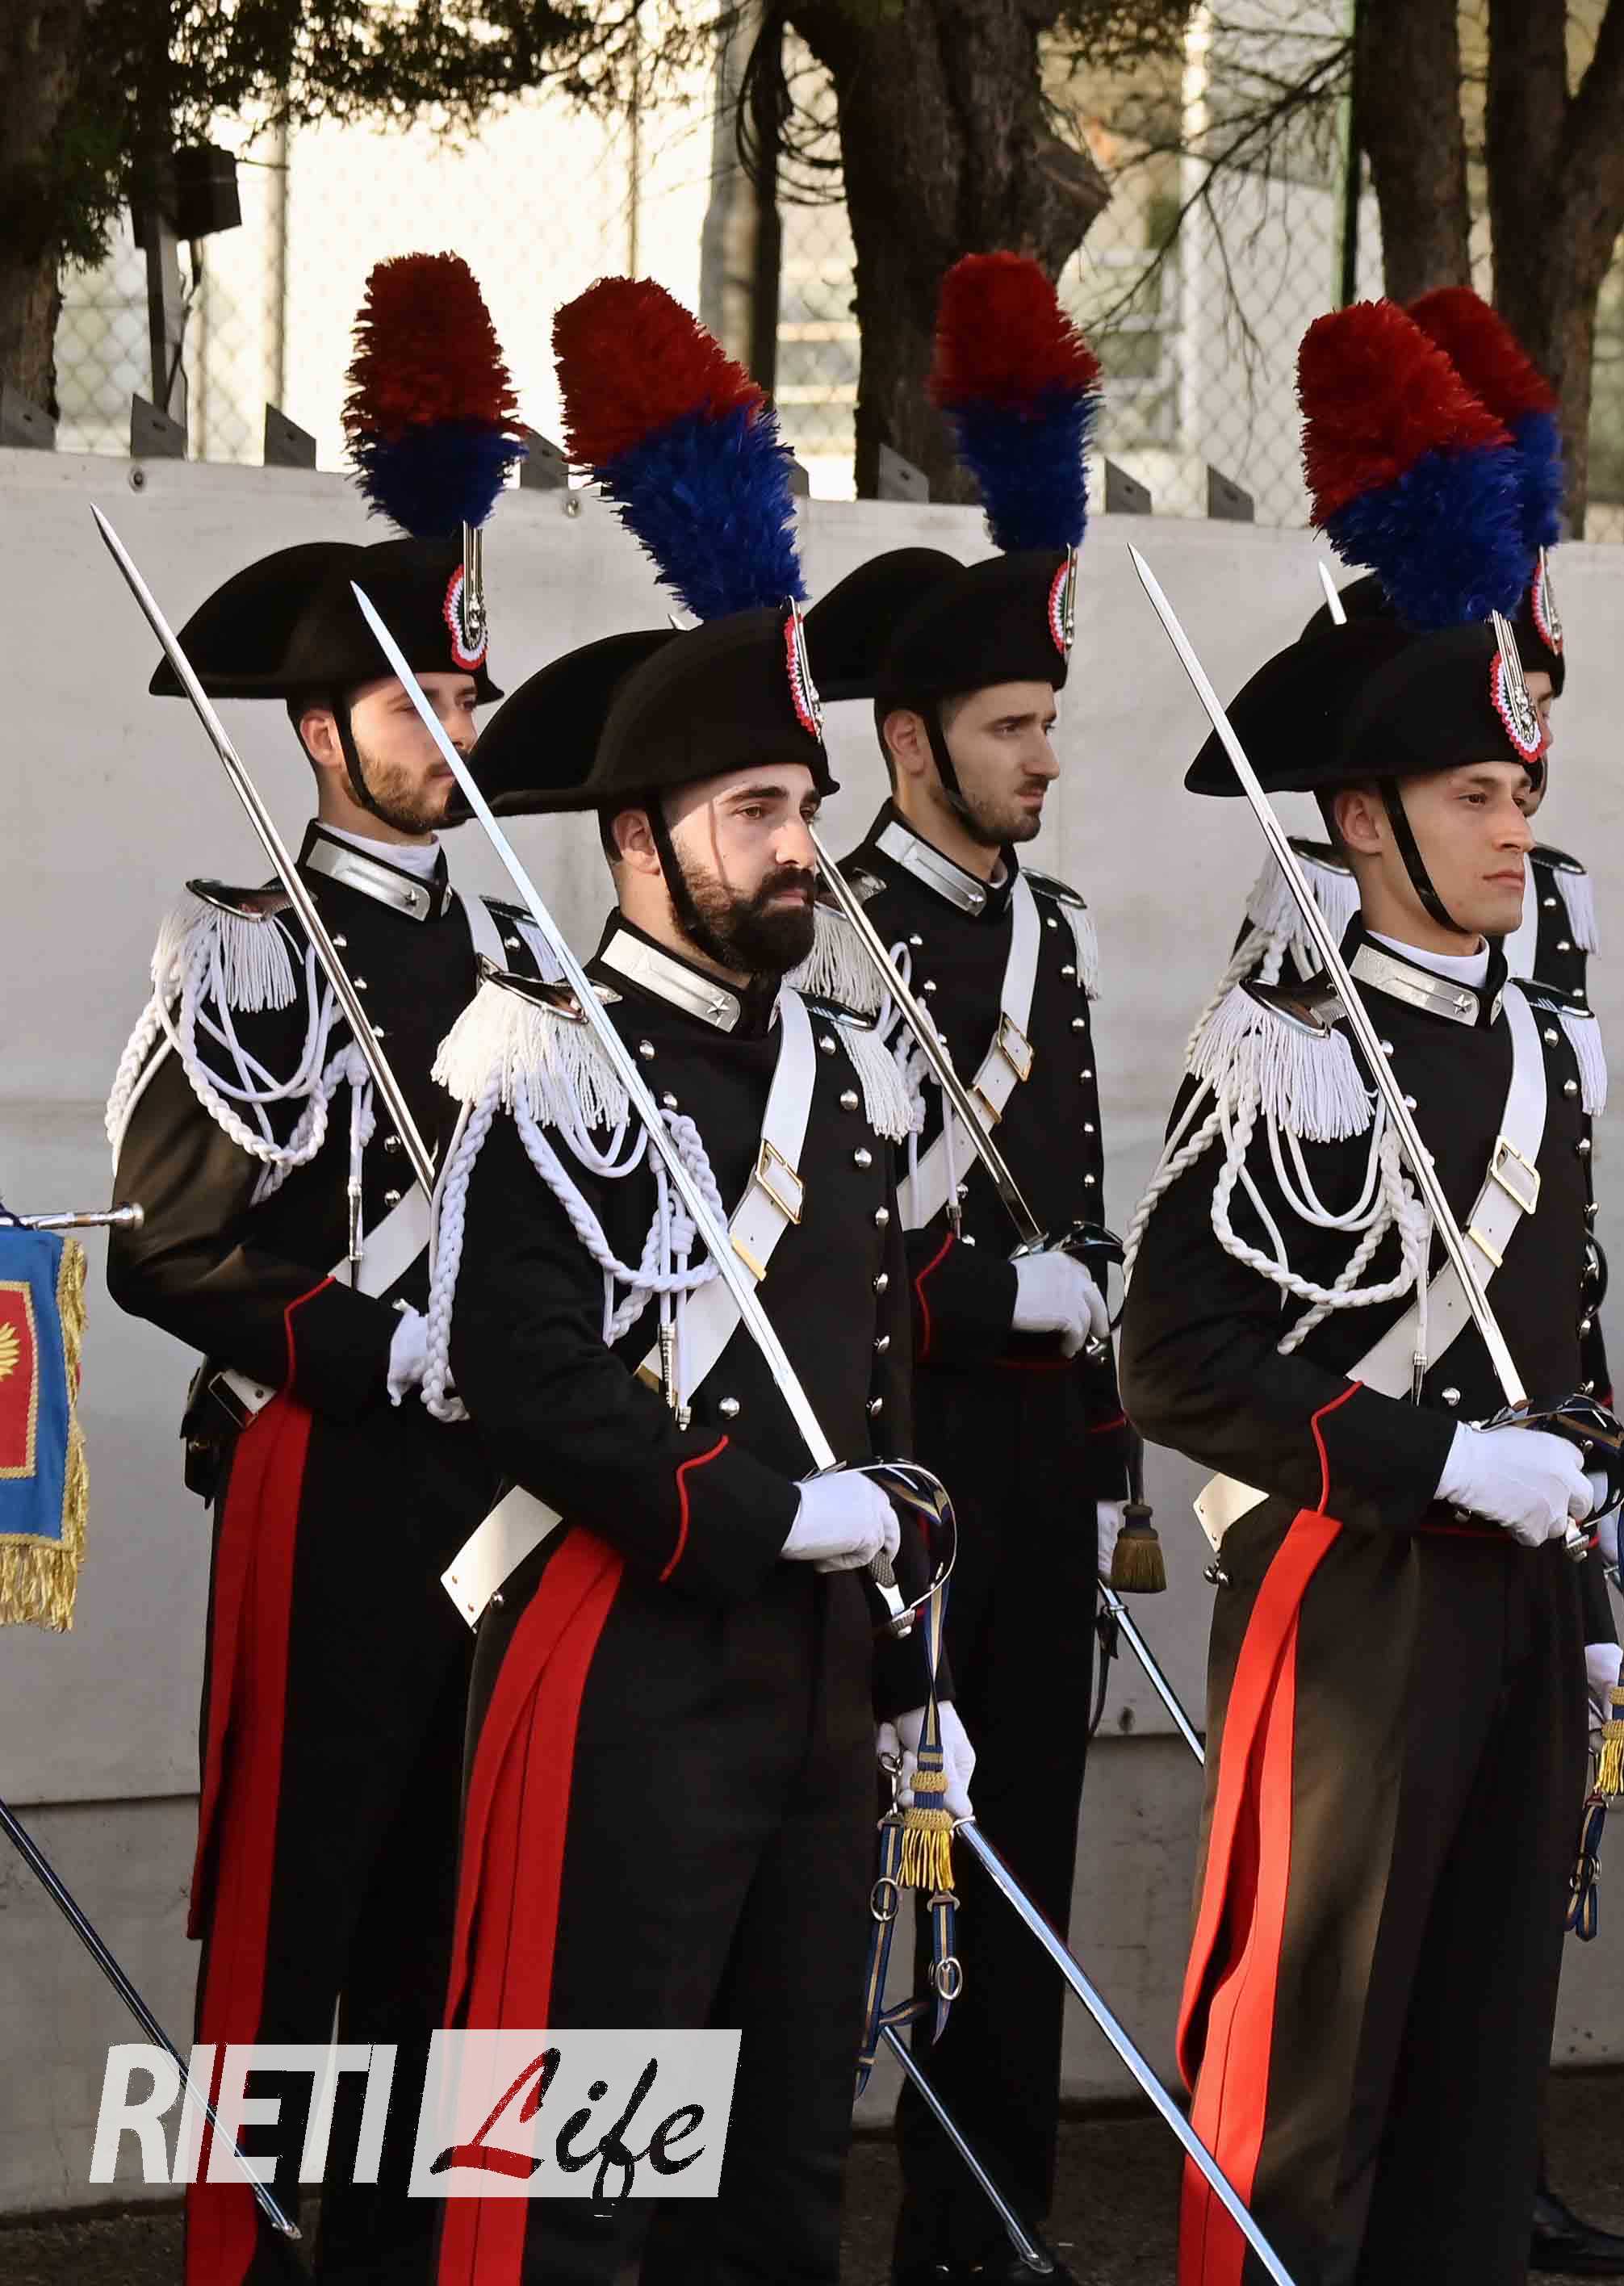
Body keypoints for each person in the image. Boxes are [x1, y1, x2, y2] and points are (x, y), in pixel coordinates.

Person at [416, 275, 963, 2285]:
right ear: (638, 845)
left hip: (822, 1682)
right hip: (634, 1660)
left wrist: (909, 1656)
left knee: (784, 2170)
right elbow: (522, 1368)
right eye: (755, 815)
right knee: (589, 2169)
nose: (799, 848)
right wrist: (760, 1515)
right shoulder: (548, 1057)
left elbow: (874, 1372)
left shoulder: (841, 1066)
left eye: (804, 807)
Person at [1124, 299, 1618, 2286]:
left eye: (1523, 795)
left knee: (1485, 2065)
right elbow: (1176, 1362)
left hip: (1524, 1590)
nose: (1516, 829)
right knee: (1315, 2060)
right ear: (1361, 817)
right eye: (1477, 796)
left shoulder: (1548, 1045)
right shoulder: (1286, 1047)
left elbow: (1563, 1334)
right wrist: (1434, 1467)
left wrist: (1582, 1566)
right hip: (1352, 1580)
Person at [99, 249, 546, 2286]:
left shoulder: (519, 951)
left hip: (505, 1493)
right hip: (332, 1475)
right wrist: (381, 1353)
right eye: (408, 705)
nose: (450, 733)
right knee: (304, 1904)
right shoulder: (251, 950)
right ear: (315, 731)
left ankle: (404, 2251)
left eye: (465, 698)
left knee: (460, 1905)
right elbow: (170, 1248)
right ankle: (255, 2253)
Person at [799, 250, 1129, 2286]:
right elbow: (821, 1249)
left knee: (1019, 1862)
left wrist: (1101, 1446)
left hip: (1032, 1462)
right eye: (1012, 727)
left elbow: (1070, 1188)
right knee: (877, 1851)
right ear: (908, 741)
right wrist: (997, 1303)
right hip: (898, 1445)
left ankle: (983, 2216)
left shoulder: (1051, 931)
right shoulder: (840, 934)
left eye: (1048, 722)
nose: (1044, 758)